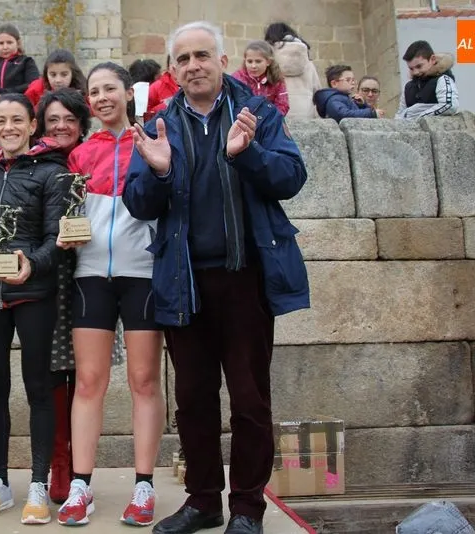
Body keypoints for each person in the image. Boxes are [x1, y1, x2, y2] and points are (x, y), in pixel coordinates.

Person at [123, 21, 310, 534]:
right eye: (182, 59)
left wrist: (247, 153)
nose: (193, 66)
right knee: (192, 401)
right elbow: (137, 202)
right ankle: (203, 501)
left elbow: (292, 178)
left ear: (222, 62)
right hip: (184, 281)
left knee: (250, 400)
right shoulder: (161, 123)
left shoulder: (259, 113)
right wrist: (158, 172)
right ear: (172, 70)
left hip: (245, 278)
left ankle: (247, 508)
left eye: (202, 55)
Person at [54, 63, 165, 527]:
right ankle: (81, 486)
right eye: (94, 91)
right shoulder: (80, 153)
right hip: (92, 274)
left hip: (142, 272)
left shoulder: (151, 142)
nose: (101, 98)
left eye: (110, 89)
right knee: (89, 381)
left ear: (127, 94)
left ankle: (144, 487)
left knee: (143, 380)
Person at [0, 94, 67, 525]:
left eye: (16, 120)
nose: (7, 127)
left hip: (33, 294)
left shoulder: (52, 171)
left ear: (32, 126)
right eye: (0, 121)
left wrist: (34, 264)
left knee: (38, 389)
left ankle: (39, 485)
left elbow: (57, 237)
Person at [30, 89, 126, 506]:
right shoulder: (32, 161)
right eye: (53, 119)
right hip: (46, 271)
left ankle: (76, 464)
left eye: (69, 118)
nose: (61, 126)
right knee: (52, 368)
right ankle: (59, 463)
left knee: (83, 373)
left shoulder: (91, 155)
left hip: (86, 271)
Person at [264, 22, 321, 119]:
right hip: (305, 112)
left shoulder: (267, 62)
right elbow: (317, 90)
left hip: (278, 112)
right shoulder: (308, 63)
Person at [396, 40, 459, 119]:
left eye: (419, 66)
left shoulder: (442, 79)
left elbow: (449, 105)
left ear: (432, 59)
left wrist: (420, 117)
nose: (415, 72)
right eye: (411, 68)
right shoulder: (408, 87)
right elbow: (400, 114)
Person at [232, 40, 289, 116]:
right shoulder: (237, 79)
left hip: (270, 120)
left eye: (258, 61)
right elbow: (232, 104)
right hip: (243, 120)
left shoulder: (276, 79)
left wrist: (269, 118)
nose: (253, 66)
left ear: (268, 62)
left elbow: (283, 104)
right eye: (249, 61)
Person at [313, 65, 383, 123]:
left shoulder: (345, 98)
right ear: (334, 83)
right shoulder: (334, 99)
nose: (352, 83)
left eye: (353, 80)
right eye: (348, 80)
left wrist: (362, 105)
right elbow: (343, 115)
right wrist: (371, 113)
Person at [144, 56, 178, 122]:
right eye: (172, 63)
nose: (176, 66)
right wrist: (167, 105)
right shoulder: (156, 87)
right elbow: (146, 114)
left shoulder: (195, 85)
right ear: (168, 68)